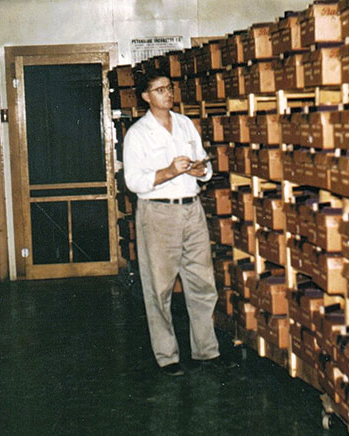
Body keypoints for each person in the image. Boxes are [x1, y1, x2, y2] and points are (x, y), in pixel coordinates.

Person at [122, 70, 233, 376]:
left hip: (191, 208)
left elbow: (203, 163)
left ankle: (206, 351)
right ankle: (167, 356)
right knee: (159, 288)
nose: (167, 95)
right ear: (146, 97)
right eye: (159, 90)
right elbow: (134, 180)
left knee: (202, 283)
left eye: (169, 89)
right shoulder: (138, 134)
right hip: (158, 213)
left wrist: (201, 171)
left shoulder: (184, 124)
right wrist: (169, 171)